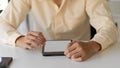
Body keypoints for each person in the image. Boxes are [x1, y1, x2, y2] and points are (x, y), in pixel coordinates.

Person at [0, 0, 118, 62]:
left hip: (80, 57)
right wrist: (18, 39)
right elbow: (2, 24)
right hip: (39, 57)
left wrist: (93, 45)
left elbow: (109, 27)